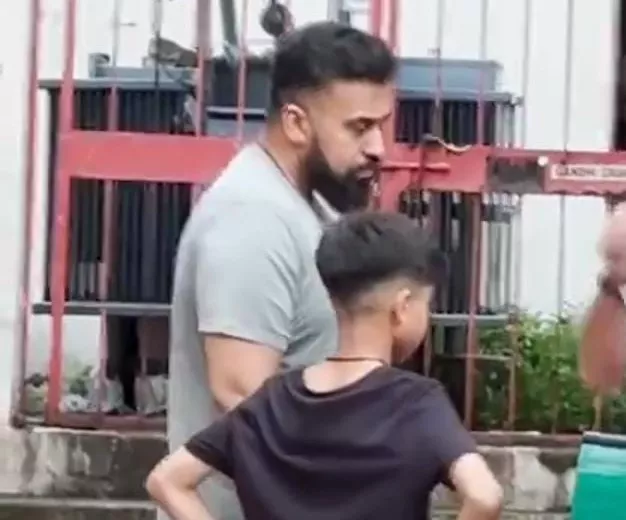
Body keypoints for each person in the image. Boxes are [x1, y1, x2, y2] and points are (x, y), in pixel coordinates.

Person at [163, 21, 396, 520]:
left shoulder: (309, 206)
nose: (379, 147)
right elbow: (241, 394)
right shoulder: (252, 217)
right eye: (359, 127)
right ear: (296, 123)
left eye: (382, 125)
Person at [147, 211, 504, 520]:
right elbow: (484, 496)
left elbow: (167, 481)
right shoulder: (416, 402)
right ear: (402, 306)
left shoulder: (270, 400)